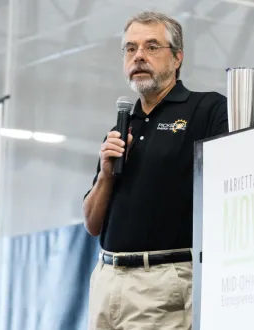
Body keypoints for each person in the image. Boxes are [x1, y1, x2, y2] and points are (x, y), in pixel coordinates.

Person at [82, 11, 228, 330]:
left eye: (151, 46)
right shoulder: (120, 129)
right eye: (131, 49)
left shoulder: (207, 109)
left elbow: (231, 185)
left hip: (163, 281)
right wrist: (107, 173)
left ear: (177, 58)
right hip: (107, 281)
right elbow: (92, 224)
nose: (139, 56)